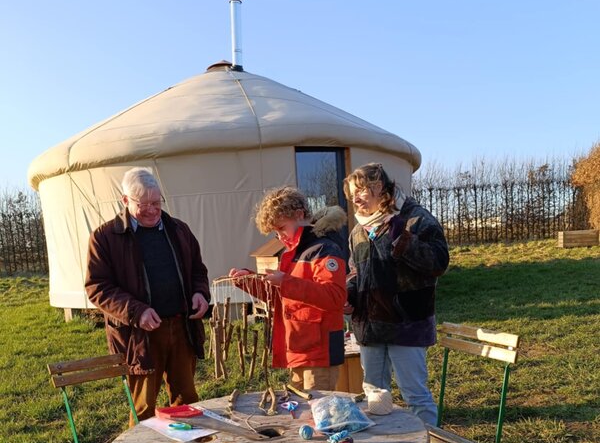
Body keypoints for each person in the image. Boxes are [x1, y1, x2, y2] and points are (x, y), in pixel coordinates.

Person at [85, 167, 210, 422]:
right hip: (139, 335)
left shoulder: (179, 230)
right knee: (143, 408)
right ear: (125, 200)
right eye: (144, 204)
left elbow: (198, 269)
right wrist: (137, 311)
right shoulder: (105, 237)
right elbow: (97, 287)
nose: (152, 210)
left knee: (186, 400)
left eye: (156, 202)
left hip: (181, 327)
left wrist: (200, 293)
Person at [344, 163, 449, 425]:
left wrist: (403, 240)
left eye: (360, 191)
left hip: (406, 323)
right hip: (370, 325)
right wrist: (350, 294)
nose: (355, 199)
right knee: (374, 396)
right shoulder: (358, 230)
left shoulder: (416, 219)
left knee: (415, 396)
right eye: (352, 194)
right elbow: (355, 272)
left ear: (379, 187)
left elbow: (439, 262)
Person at [229, 186, 347, 391]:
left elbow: (334, 296)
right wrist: (249, 281)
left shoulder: (325, 249)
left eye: (282, 228)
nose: (280, 236)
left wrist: (286, 282)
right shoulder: (291, 252)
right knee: (300, 407)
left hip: (320, 353)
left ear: (299, 215)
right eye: (275, 232)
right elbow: (283, 296)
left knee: (318, 408)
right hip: (298, 348)